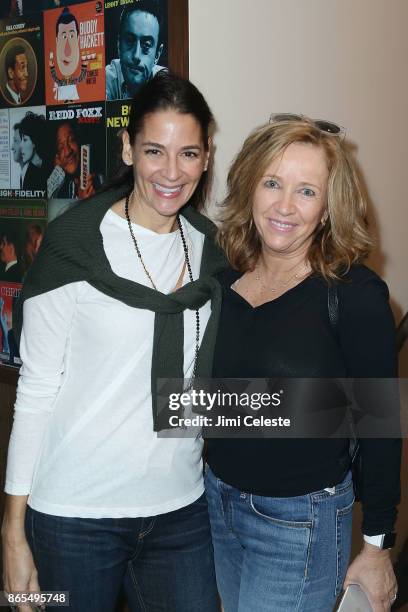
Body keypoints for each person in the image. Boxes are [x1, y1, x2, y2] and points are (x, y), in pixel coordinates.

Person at [1, 71, 226, 612]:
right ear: (127, 147)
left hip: (181, 509)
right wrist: (12, 534)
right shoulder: (74, 242)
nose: (172, 173)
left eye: (189, 154)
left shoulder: (213, 250)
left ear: (206, 155)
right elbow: (35, 391)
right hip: (74, 517)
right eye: (154, 150)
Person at [204, 115, 401, 612]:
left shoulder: (355, 296)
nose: (284, 206)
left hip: (299, 524)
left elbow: (379, 427)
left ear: (329, 208)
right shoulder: (223, 282)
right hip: (216, 503)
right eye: (272, 183)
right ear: (250, 185)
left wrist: (378, 546)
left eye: (306, 191)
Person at [106, 0, 166, 100]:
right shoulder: (107, 78)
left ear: (157, 54)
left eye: (147, 45)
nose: (136, 56)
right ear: (118, 44)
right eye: (129, 41)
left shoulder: (164, 81)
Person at [49, 7, 95, 102]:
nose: (67, 49)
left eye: (71, 36)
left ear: (78, 38)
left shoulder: (73, 81)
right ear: (57, 40)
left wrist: (84, 66)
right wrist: (52, 67)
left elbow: (81, 78)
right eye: (64, 36)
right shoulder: (61, 82)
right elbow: (55, 78)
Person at [47, 121, 102, 199]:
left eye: (71, 140)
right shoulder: (55, 192)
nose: (68, 152)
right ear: (57, 158)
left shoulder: (101, 180)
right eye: (61, 147)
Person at [17, 112, 50, 192]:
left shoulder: (52, 165)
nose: (21, 145)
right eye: (21, 140)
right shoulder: (25, 175)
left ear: (35, 141)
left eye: (25, 140)